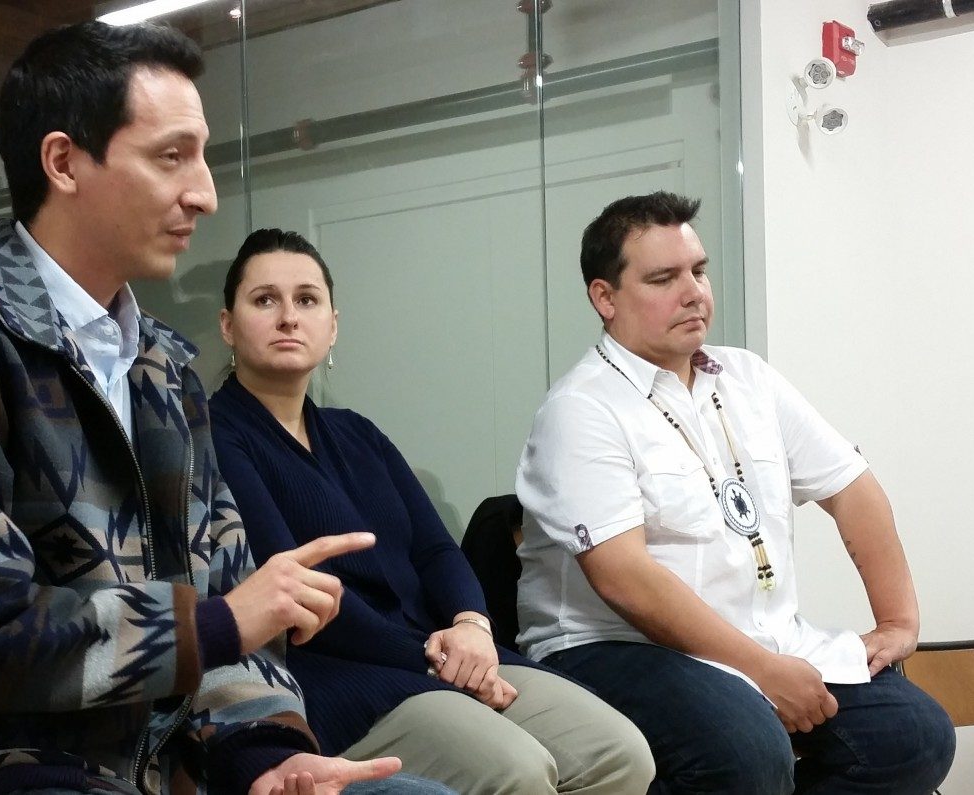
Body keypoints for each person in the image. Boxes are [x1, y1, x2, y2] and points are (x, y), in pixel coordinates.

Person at [0, 20, 453, 795]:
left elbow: (230, 590)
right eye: (171, 156)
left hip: (131, 769)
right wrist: (214, 625)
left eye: (201, 156)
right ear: (64, 161)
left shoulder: (164, 367)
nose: (205, 192)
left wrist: (265, 755)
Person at [514, 191, 956, 793]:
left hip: (759, 639)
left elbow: (854, 490)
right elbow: (623, 577)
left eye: (698, 270)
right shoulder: (582, 408)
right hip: (614, 647)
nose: (694, 291)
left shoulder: (746, 377)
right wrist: (762, 671)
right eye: (664, 278)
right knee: (746, 753)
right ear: (605, 297)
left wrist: (899, 620)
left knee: (916, 737)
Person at [208, 228, 656, 795]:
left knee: (620, 755)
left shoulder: (358, 434)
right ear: (228, 324)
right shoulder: (217, 437)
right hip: (337, 671)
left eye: (306, 299)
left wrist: (472, 624)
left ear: (333, 324)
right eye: (264, 299)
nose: (289, 317)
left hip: (444, 652)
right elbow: (302, 603)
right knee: (516, 771)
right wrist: (436, 657)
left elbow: (435, 548)